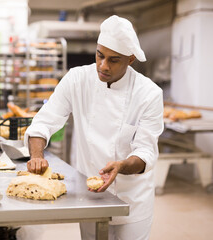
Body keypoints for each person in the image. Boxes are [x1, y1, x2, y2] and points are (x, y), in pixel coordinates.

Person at [24, 15, 164, 240]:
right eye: (100, 55)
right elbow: (44, 121)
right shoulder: (77, 79)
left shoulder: (148, 94)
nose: (103, 65)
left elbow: (146, 151)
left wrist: (122, 165)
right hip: (90, 196)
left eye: (113, 60)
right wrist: (37, 155)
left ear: (130, 60)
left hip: (133, 200)